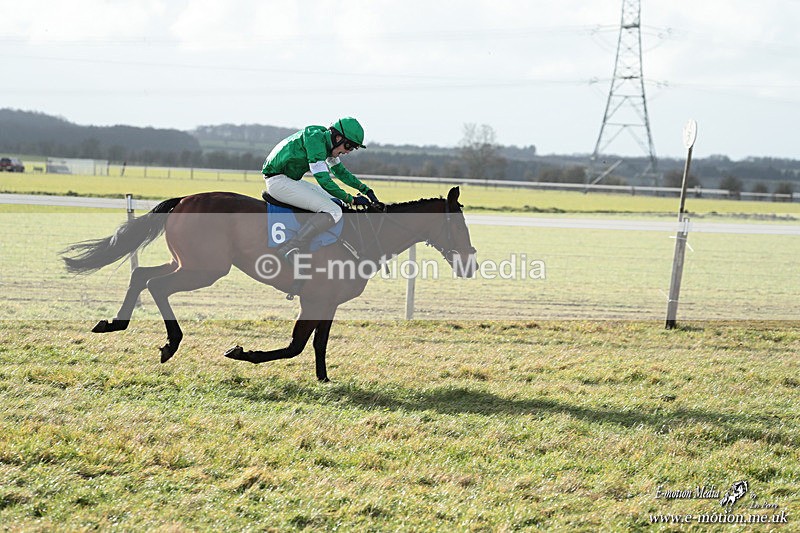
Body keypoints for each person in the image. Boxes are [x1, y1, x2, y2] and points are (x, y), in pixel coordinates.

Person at [262, 117, 382, 266]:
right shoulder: (315, 141)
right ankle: (291, 247)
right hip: (278, 182)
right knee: (334, 210)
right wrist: (351, 199)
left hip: (289, 179)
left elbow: (341, 172)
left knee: (335, 201)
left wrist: (365, 190)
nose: (348, 152)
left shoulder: (326, 142)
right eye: (348, 147)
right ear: (338, 138)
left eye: (351, 149)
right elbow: (324, 180)